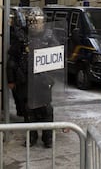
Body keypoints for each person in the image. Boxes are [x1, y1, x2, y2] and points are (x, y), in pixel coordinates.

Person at [8, 8, 58, 148]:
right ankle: (32, 137)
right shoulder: (21, 36)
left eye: (39, 22)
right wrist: (11, 78)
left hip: (43, 79)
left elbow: (57, 57)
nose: (36, 25)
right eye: (33, 22)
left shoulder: (49, 36)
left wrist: (52, 77)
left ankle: (47, 138)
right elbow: (12, 59)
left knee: (46, 109)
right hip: (26, 79)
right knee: (29, 110)